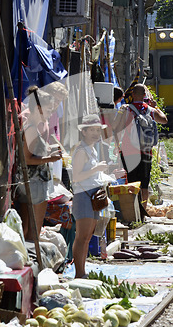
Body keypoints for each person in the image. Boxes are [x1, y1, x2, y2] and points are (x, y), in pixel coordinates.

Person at [16, 88, 62, 238]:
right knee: (34, 228)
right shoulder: (30, 128)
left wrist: (48, 149)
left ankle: (30, 256)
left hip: (32, 182)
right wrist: (51, 158)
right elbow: (27, 158)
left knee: (29, 227)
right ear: (38, 108)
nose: (50, 114)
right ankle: (33, 257)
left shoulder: (32, 126)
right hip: (35, 183)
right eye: (48, 110)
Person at [117, 84, 167, 208]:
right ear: (144, 96)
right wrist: (156, 107)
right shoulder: (150, 110)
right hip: (146, 152)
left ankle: (133, 212)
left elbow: (116, 127)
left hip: (129, 152)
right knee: (144, 184)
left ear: (133, 95)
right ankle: (143, 212)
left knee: (132, 183)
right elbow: (164, 120)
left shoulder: (126, 109)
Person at [71, 114, 108, 278]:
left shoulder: (91, 149)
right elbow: (76, 177)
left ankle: (82, 272)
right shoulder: (81, 150)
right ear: (84, 132)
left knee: (87, 237)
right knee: (82, 237)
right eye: (92, 130)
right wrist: (97, 169)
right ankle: (79, 273)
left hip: (92, 195)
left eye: (97, 130)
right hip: (84, 196)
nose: (95, 133)